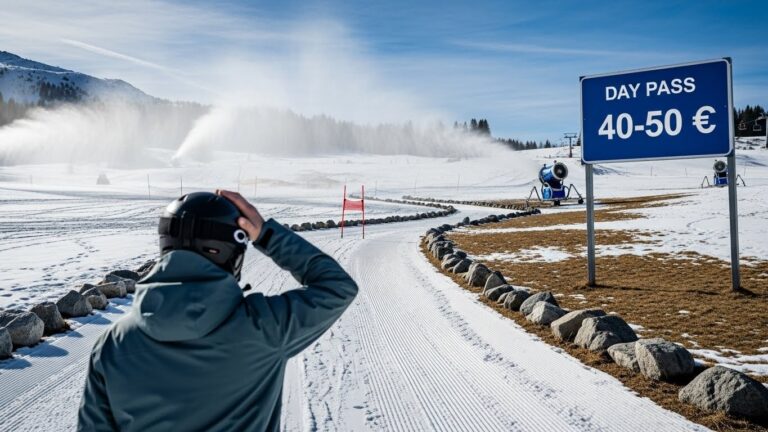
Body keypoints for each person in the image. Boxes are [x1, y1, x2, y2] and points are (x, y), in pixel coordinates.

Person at [78, 190, 358, 431]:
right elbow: (337, 286)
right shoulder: (265, 328)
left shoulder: (112, 344)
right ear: (231, 255)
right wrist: (266, 234)